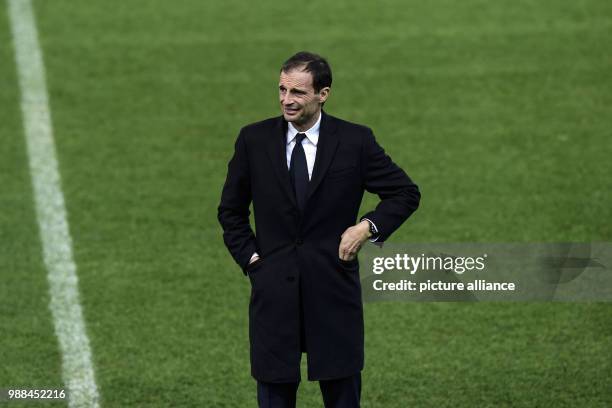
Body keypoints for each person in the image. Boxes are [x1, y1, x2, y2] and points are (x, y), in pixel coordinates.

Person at [217, 51, 420, 408]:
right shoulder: (254, 140)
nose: (286, 100)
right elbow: (230, 211)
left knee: (342, 393)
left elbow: (405, 192)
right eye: (281, 89)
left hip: (332, 289)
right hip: (273, 289)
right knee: (274, 393)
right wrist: (252, 261)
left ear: (322, 94)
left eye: (297, 92)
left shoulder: (355, 141)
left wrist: (366, 227)